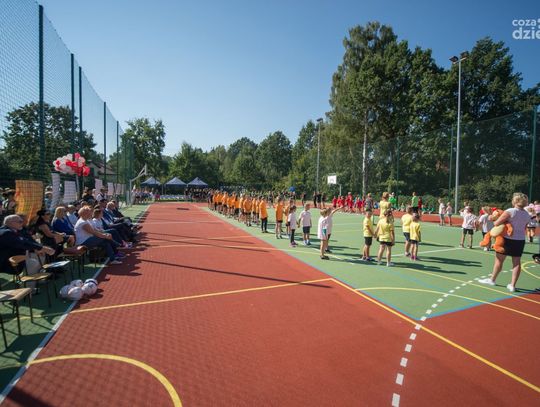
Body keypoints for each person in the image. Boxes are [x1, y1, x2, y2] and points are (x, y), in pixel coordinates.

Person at [479, 193, 531, 292]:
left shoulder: (510, 211)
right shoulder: (527, 214)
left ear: (515, 201)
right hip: (520, 240)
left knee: (499, 261)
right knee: (516, 263)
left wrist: (492, 218)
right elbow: (524, 228)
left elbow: (496, 223)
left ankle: (492, 280)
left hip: (506, 239)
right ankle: (513, 285)